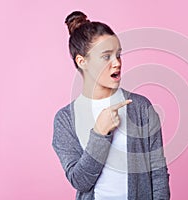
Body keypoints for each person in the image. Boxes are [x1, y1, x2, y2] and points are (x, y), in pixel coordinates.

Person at [52, 11, 170, 200]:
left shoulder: (140, 107)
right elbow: (80, 181)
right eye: (106, 57)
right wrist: (99, 134)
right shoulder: (65, 119)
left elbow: (158, 171)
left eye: (118, 55)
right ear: (82, 61)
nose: (117, 63)